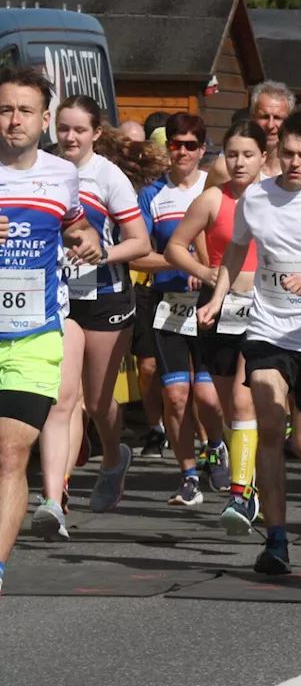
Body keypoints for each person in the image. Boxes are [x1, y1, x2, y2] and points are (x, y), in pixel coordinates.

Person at [197, 110, 301, 574]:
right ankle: (276, 540)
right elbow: (236, 248)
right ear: (277, 152)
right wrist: (217, 296)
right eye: (288, 153)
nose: (295, 163)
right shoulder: (256, 196)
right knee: (270, 427)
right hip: (268, 329)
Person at [0, 65, 102, 593]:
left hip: (32, 332)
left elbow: (74, 224)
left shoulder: (62, 175)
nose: (12, 120)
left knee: (11, 452)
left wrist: (86, 240)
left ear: (44, 120)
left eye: (23, 110)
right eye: (4, 109)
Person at [39, 97, 152, 530]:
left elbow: (140, 242)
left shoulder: (109, 176)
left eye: (79, 131)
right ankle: (56, 498)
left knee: (101, 400)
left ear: (96, 134)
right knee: (63, 400)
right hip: (60, 296)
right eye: (64, 129)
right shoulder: (44, 169)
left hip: (107, 295)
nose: (70, 137)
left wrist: (102, 253)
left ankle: (112, 457)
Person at [166, 120, 267, 534]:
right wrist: (206, 275)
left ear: (263, 156)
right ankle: (249, 477)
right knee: (229, 407)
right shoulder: (212, 199)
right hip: (222, 310)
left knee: (244, 404)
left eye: (248, 154)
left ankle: (241, 493)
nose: (239, 162)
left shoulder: (278, 195)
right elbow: (174, 246)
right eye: (232, 154)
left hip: (268, 311)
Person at [131, 113, 228, 506]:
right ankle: (188, 476)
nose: (183, 152)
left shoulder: (213, 188)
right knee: (175, 396)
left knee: (207, 396)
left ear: (202, 149)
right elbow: (139, 257)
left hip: (211, 300)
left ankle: (217, 444)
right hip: (169, 302)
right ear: (166, 147)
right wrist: (181, 263)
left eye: (191, 145)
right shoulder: (152, 194)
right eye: (176, 144)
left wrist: (207, 271)